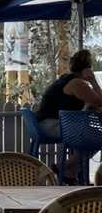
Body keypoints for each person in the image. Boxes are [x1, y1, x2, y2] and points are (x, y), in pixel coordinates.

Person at [36, 49, 102, 181]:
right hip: (52, 125)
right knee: (97, 137)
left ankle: (69, 171)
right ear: (87, 68)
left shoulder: (66, 79)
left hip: (46, 123)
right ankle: (66, 166)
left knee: (92, 136)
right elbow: (99, 101)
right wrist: (93, 81)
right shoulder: (77, 83)